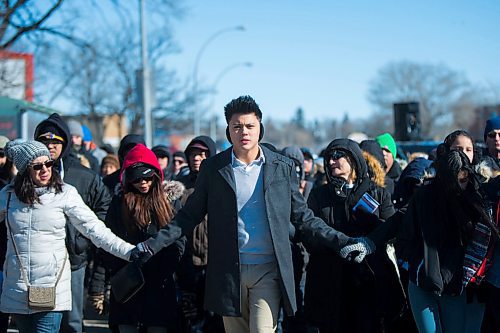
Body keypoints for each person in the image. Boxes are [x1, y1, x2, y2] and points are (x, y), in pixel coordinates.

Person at [130, 95, 356, 333]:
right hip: (229, 271)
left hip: (269, 269)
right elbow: (187, 217)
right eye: (237, 126)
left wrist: (343, 241)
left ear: (260, 129)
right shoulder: (214, 169)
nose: (244, 132)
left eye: (250, 126)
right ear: (229, 131)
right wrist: (151, 245)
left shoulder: (281, 167)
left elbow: (303, 217)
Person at [343, 149, 497, 333]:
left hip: (455, 284)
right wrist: (370, 243)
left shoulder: (473, 198)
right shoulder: (425, 196)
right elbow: (399, 221)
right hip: (422, 279)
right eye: (455, 180)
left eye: (464, 180)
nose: (459, 185)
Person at [0, 140, 135, 333]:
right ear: (24, 171)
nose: (45, 170)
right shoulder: (9, 196)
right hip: (17, 287)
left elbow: (95, 230)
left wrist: (130, 251)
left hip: (51, 287)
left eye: (49, 163)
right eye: (37, 166)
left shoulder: (64, 193)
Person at [303, 138, 404, 333]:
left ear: (354, 159)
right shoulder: (319, 195)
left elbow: (393, 229)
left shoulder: (378, 194)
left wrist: (369, 240)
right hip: (330, 284)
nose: (331, 162)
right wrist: (336, 243)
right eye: (328, 158)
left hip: (369, 282)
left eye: (337, 156)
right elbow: (309, 231)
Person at [89, 144, 186, 332]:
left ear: (156, 175)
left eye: (148, 177)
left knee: (158, 327)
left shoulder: (170, 203)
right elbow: (107, 242)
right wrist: (115, 272)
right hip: (128, 283)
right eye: (137, 178)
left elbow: (179, 240)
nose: (143, 183)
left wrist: (167, 267)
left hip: (160, 284)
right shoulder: (119, 203)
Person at [34, 113, 112, 333]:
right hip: (40, 265)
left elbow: (104, 207)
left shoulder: (83, 176)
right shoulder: (27, 176)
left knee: (71, 321)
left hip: (72, 262)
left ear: (65, 143)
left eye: (55, 141)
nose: (50, 146)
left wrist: (83, 239)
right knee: (42, 319)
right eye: (44, 141)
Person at [175, 135, 224, 332]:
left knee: (215, 320)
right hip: (187, 262)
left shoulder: (221, 183)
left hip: (215, 263)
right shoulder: (179, 187)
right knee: (191, 319)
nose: (197, 158)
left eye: (202, 154)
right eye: (194, 154)